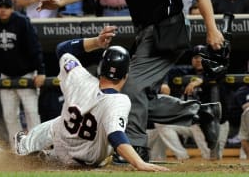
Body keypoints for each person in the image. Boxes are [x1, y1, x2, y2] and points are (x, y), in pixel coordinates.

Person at [38, 0, 225, 163]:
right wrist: (61, 1)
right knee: (137, 95)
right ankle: (201, 113)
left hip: (169, 31)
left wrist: (212, 29)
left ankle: (136, 148)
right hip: (144, 32)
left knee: (131, 87)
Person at [14, 27, 168, 171]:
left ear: (100, 68)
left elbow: (62, 49)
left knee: (59, 122)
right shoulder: (119, 101)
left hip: (63, 145)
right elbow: (116, 135)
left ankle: (26, 146)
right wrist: (138, 162)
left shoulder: (79, 77)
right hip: (86, 159)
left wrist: (96, 41)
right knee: (103, 128)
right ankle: (41, 155)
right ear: (125, 75)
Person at [0, 0, 45, 148]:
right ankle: (18, 149)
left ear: (12, 8)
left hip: (27, 74)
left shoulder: (22, 21)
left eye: (7, 7)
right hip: (5, 76)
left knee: (31, 113)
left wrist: (41, 70)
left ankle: (37, 148)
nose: (3, 10)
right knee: (10, 116)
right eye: (0, 7)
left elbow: (34, 47)